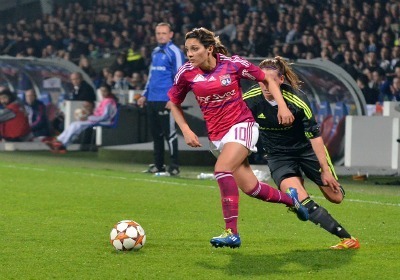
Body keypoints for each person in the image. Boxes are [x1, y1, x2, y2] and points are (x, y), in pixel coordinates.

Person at [167, 27, 308, 249]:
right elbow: (173, 103)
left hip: (242, 126)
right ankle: (293, 200)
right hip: (217, 136)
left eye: (195, 49)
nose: (190, 54)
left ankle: (232, 233)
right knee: (252, 188)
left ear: (209, 49)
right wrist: (185, 129)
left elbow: (268, 80)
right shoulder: (186, 73)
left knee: (221, 169)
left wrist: (282, 106)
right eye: (187, 50)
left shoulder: (233, 64)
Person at [243, 56, 360, 250]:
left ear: (281, 80)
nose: (266, 85)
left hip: (306, 151)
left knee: (336, 197)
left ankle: (313, 181)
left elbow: (315, 137)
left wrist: (325, 170)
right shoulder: (249, 99)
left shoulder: (297, 100)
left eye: (271, 80)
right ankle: (348, 238)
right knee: (299, 199)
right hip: (279, 155)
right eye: (262, 80)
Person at [137, 22, 185, 176]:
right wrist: (144, 95)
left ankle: (175, 165)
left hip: (166, 99)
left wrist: (175, 99)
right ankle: (159, 165)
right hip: (152, 99)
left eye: (164, 33)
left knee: (169, 134)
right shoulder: (156, 51)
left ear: (170, 34)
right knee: (156, 134)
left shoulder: (175, 52)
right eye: (158, 33)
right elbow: (151, 76)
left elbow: (180, 78)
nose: (161, 36)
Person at [45, 84, 118, 153]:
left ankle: (60, 143)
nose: (103, 93)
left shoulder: (109, 102)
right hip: (97, 119)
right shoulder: (105, 100)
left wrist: (89, 118)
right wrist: (90, 116)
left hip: (105, 121)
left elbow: (105, 116)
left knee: (77, 125)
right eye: (102, 91)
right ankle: (61, 143)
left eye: (105, 91)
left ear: (109, 91)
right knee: (75, 125)